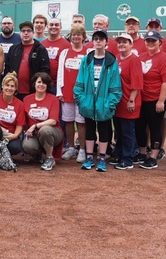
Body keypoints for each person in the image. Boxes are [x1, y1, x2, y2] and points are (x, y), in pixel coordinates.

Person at [74, 29, 122, 172]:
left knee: (104, 130)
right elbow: (79, 82)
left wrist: (109, 103)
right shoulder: (87, 59)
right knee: (89, 129)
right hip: (88, 101)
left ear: (106, 42)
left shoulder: (111, 61)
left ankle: (101, 158)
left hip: (104, 102)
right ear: (92, 41)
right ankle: (89, 157)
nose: (98, 41)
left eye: (101, 39)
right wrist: (81, 100)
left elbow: (115, 85)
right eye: (96, 39)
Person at [135, 30, 166, 170]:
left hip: (157, 98)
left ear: (160, 42)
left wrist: (161, 101)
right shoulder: (141, 57)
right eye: (148, 40)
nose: (150, 43)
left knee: (154, 126)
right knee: (140, 126)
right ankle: (142, 153)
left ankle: (153, 156)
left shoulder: (165, 58)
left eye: (153, 41)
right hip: (142, 98)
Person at [110, 34, 143, 170]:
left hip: (129, 100)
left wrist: (131, 100)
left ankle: (128, 159)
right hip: (118, 100)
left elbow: (137, 83)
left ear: (131, 44)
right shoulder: (117, 59)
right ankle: (119, 154)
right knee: (119, 130)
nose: (121, 44)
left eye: (125, 42)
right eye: (119, 42)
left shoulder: (134, 60)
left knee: (127, 131)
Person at [57, 24, 88, 163]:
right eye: (74, 34)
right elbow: (60, 73)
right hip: (67, 92)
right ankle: (71, 147)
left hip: (82, 94)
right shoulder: (64, 52)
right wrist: (59, 90)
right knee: (68, 121)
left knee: (81, 122)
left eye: (79, 34)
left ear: (83, 37)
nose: (76, 37)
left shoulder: (88, 53)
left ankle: (82, 149)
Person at [22, 72, 64, 171]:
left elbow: (53, 121)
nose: (41, 85)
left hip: (53, 131)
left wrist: (36, 125)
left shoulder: (53, 99)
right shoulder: (27, 99)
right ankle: (37, 153)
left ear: (47, 85)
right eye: (39, 82)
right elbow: (24, 120)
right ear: (34, 84)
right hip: (35, 134)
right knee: (27, 146)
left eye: (44, 83)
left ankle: (50, 158)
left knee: (45, 130)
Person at [146, 17, 166, 156]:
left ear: (160, 28)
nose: (153, 28)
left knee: (161, 118)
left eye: (156, 26)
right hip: (145, 91)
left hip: (160, 91)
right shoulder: (143, 42)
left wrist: (162, 98)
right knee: (145, 120)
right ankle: (146, 145)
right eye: (150, 26)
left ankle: (159, 147)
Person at [0, 72, 25, 168]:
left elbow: (20, 125)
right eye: (7, 85)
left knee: (16, 148)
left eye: (12, 86)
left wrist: (14, 136)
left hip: (10, 135)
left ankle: (5, 156)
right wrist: (3, 130)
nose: (9, 88)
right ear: (2, 86)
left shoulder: (20, 104)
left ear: (15, 89)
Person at [4, 21, 50, 101]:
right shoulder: (13, 49)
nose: (26, 33)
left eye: (28, 31)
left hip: (33, 92)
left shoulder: (40, 49)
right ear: (20, 33)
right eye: (23, 31)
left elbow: (45, 71)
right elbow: (7, 69)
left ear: (33, 33)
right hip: (15, 91)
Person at [41, 18, 71, 93]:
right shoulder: (42, 44)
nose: (54, 27)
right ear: (47, 27)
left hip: (58, 85)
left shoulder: (67, 45)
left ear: (61, 27)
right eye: (51, 25)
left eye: (56, 25)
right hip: (43, 83)